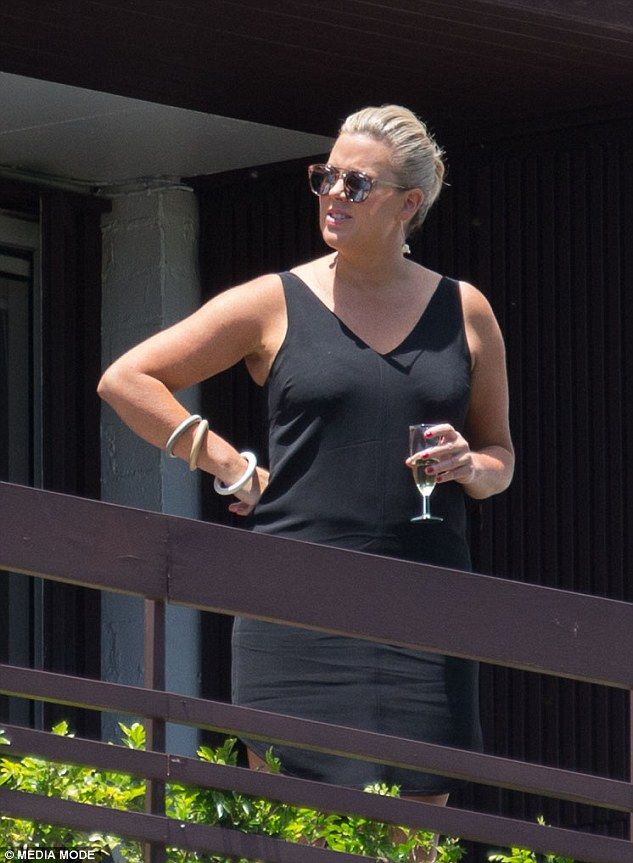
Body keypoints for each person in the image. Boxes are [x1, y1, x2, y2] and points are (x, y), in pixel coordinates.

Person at [98, 104, 514, 861]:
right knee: (295, 832)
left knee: (413, 841)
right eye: (326, 177)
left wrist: (469, 465)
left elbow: (500, 459)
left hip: (425, 608)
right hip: (295, 610)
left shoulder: (466, 309)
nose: (333, 195)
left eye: (357, 183)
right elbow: (128, 379)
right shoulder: (274, 299)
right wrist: (227, 463)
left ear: (408, 204)